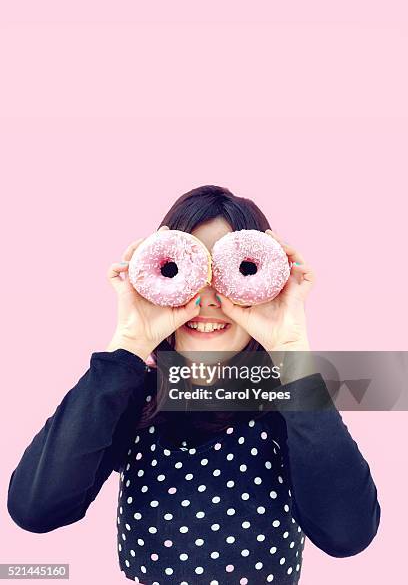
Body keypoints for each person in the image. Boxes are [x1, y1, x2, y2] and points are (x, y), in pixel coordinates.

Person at [7, 185, 381, 584]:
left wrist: (291, 353)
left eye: (232, 275)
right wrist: (128, 345)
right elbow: (36, 509)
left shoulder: (285, 399)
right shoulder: (133, 395)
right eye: (183, 273)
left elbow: (347, 535)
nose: (207, 300)